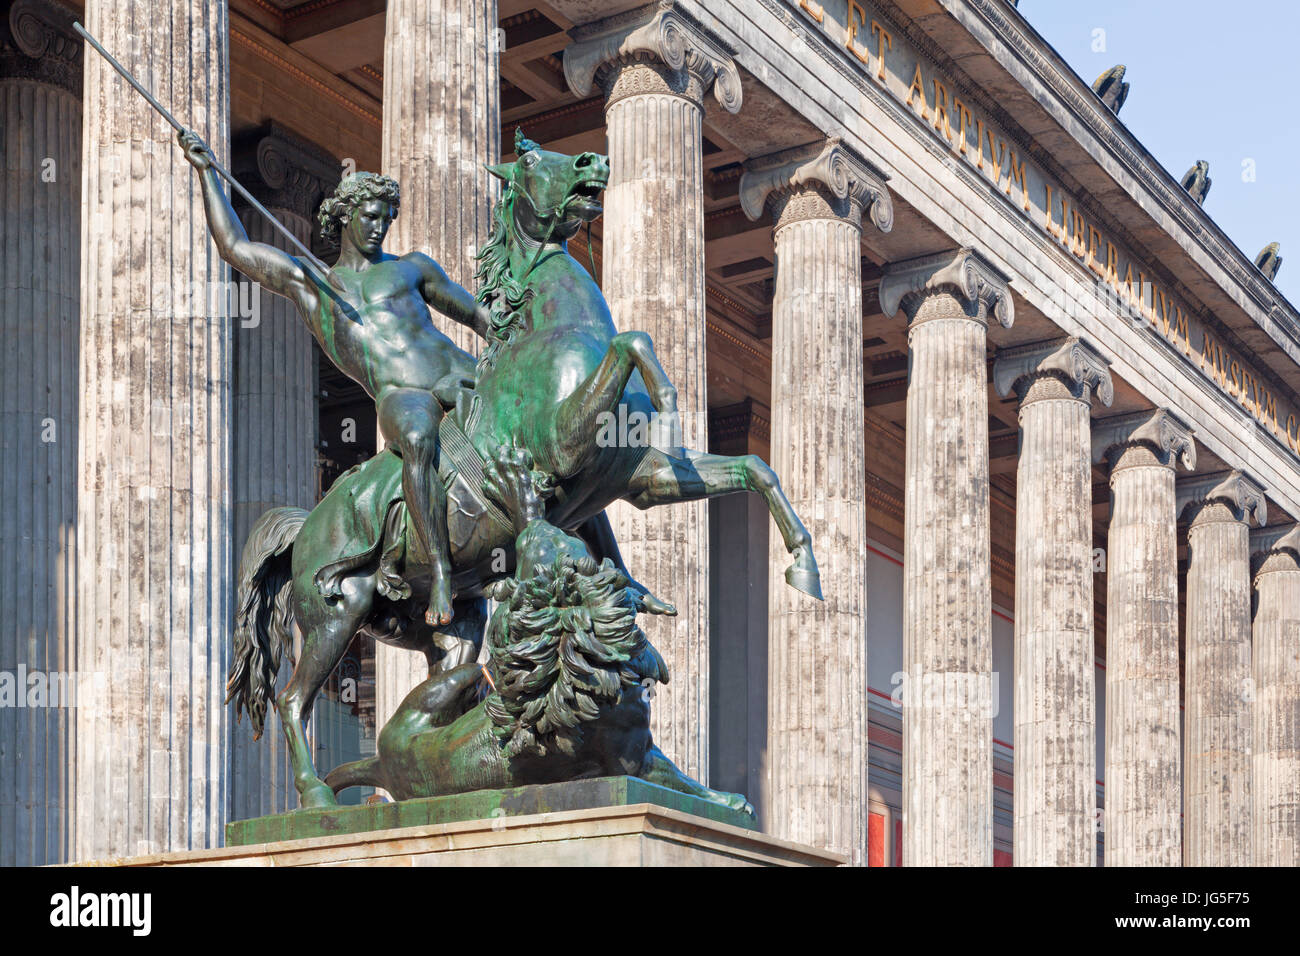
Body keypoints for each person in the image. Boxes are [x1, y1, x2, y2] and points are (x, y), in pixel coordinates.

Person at [180, 129, 488, 626]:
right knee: (416, 439)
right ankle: (441, 571)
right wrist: (207, 175)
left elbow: (473, 314)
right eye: (369, 216)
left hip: (460, 372)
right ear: (345, 215)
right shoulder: (314, 285)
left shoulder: (411, 269)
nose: (378, 227)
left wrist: (517, 337)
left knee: (545, 428)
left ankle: (609, 562)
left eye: (386, 219)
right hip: (405, 395)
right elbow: (235, 247)